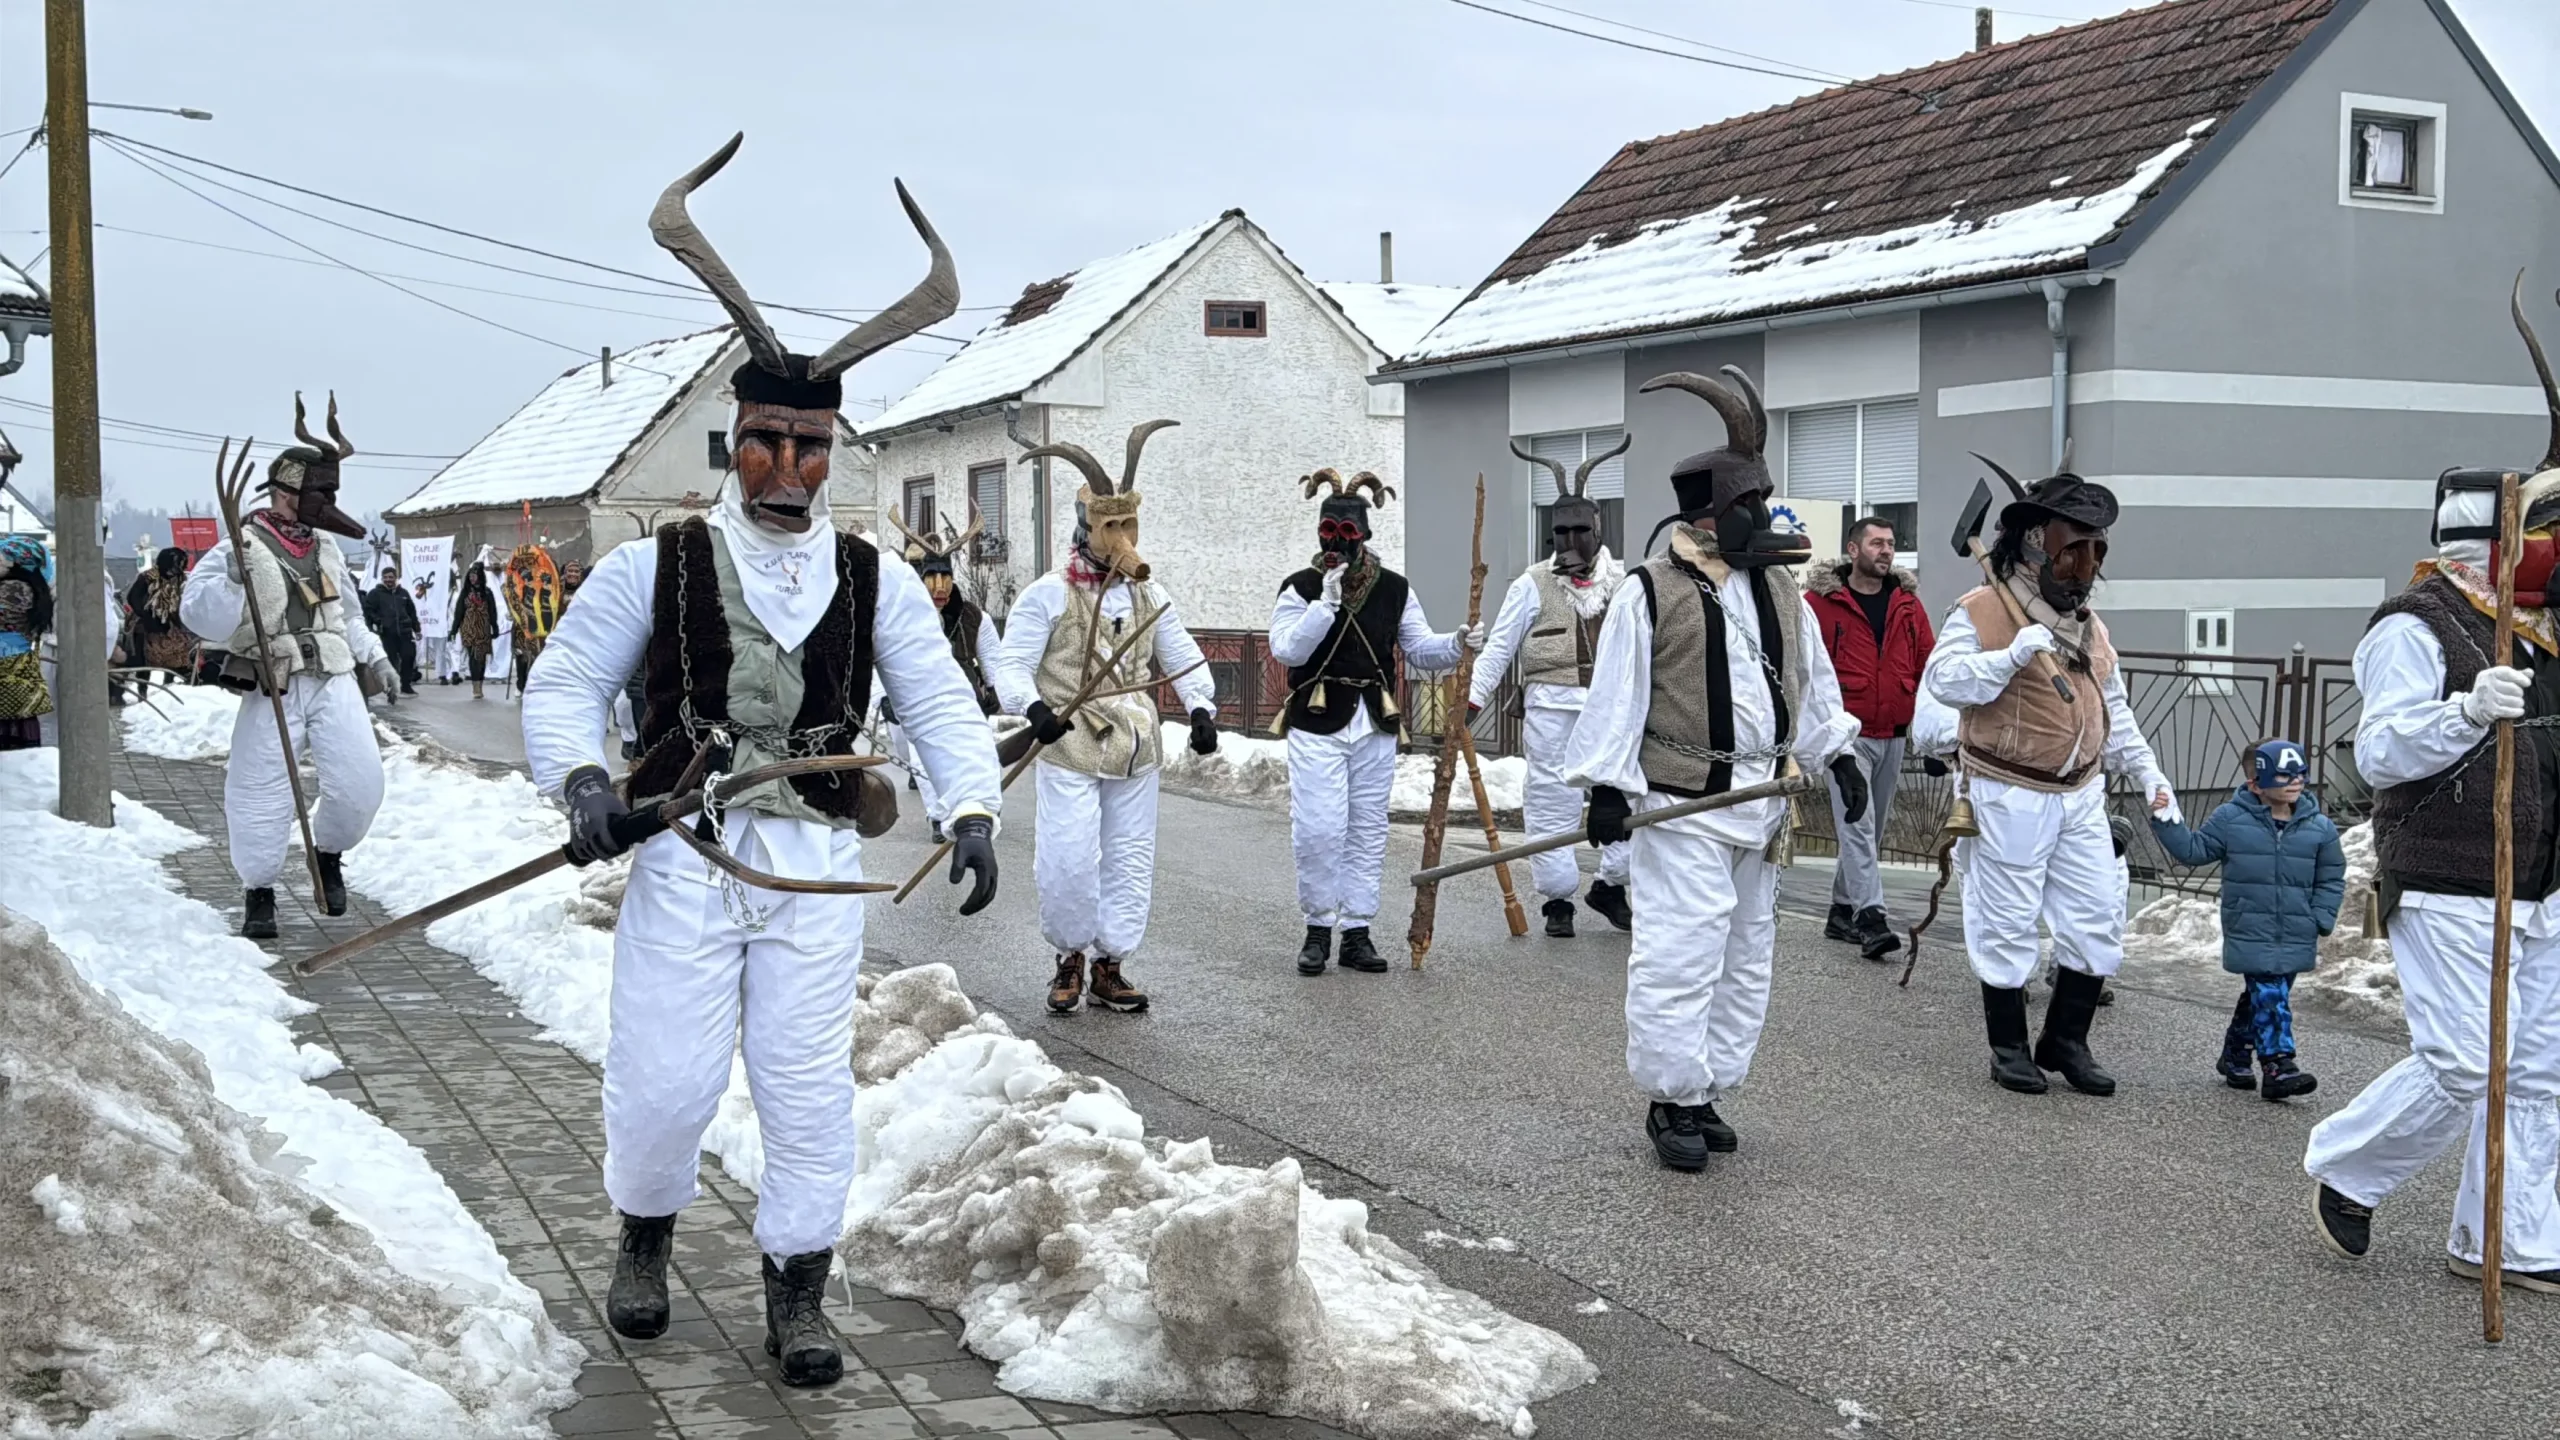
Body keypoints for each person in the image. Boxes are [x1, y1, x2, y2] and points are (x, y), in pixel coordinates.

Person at [521, 136, 999, 1387]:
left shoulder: (870, 574)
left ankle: (798, 1292)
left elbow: (939, 696)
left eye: (810, 448)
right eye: (765, 444)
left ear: (833, 454)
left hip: (814, 863)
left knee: (803, 1090)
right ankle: (644, 1238)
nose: (787, 471)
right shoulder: (657, 563)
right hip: (682, 849)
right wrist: (582, 785)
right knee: (668, 1080)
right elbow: (565, 684)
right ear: (732, 442)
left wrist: (970, 807)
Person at [2304, 301, 2560, 1289]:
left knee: (2536, 1071)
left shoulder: (2539, 632)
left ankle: (2508, 1238)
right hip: (2450, 874)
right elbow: (2379, 754)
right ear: (2484, 544)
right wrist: (2464, 710)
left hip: (2541, 887)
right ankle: (2346, 1170)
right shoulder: (2414, 627)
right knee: (2463, 1064)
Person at [1562, 367, 1861, 1172]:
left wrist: (1836, 754)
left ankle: (1706, 1088)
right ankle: (1669, 1100)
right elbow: (1618, 695)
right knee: (1681, 952)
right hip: (1682, 803)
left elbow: (1813, 680)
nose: (1764, 519)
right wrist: (1604, 788)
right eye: (1749, 508)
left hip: (1762, 803)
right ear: (1707, 516)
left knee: (1744, 954)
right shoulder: (1649, 591)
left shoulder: (1779, 587)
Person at [1921, 459, 2175, 1098]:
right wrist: (2010, 654)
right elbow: (1944, 682)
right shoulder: (1982, 609)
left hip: (2081, 792)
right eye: (2072, 553)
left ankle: (2065, 1041)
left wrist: (2148, 773)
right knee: (2006, 919)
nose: (2085, 570)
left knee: (2096, 913)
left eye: (2095, 553)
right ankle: (2008, 1048)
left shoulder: (2090, 626)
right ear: (2036, 548)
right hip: (2008, 791)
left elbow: (2113, 706)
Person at [996, 422, 1217, 1014]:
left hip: (1135, 745)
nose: (1121, 537)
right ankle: (1068, 957)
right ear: (1087, 529)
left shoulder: (1149, 594)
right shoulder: (1048, 593)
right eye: (1110, 527)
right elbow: (1011, 663)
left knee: (1130, 855)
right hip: (1070, 740)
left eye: (1129, 526)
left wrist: (1200, 706)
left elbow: (1182, 653)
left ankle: (1110, 963)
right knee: (1068, 856)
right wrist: (1034, 708)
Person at [182, 396, 401, 939]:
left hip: (332, 676)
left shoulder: (326, 547)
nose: (327, 504)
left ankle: (328, 853)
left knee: (361, 784)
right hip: (272, 682)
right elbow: (199, 615)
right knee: (259, 789)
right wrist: (233, 577)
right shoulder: (243, 544)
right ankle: (259, 891)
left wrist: (375, 655)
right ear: (285, 493)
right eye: (318, 494)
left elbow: (346, 614)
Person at [1270, 467, 1480, 976]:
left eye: (1347, 533)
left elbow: (1419, 648)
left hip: (1375, 721)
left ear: (1364, 533)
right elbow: (1286, 647)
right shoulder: (1301, 587)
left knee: (1366, 829)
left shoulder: (1394, 589)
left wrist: (1456, 644)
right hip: (1318, 719)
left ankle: (1356, 931)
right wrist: (1326, 604)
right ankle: (1318, 927)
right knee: (1320, 829)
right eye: (1328, 532)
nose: (1337, 543)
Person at [1469, 438, 1634, 938]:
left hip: (1611, 714)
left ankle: (1612, 884)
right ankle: (1557, 899)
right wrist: (1470, 702)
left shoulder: (1626, 583)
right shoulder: (1532, 583)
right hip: (1550, 711)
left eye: (1580, 530)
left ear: (1598, 528)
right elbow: (1498, 648)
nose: (1569, 541)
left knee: (1624, 796)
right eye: (1559, 531)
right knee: (1550, 802)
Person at [2152, 738, 2344, 1100]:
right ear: (2256, 783)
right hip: (2250, 925)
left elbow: (2331, 876)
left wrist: (2320, 917)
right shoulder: (2231, 819)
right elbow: (2195, 850)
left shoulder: (2320, 827)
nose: (2296, 782)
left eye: (2300, 774)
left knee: (2267, 994)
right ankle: (2278, 1066)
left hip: (2296, 927)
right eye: (2284, 776)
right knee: (2270, 991)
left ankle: (2235, 1053)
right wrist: (2166, 819)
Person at [1806, 515, 1934, 961]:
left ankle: (1841, 910)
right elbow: (1805, 672)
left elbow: (1927, 668)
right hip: (1847, 734)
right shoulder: (1820, 605)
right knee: (1858, 824)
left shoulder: (1907, 605)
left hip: (1894, 732)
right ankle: (1871, 918)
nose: (1886, 551)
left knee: (1869, 831)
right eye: (1876, 543)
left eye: (1891, 544)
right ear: (1853, 549)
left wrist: (1936, 737)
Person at [888, 501, 1003, 838]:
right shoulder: (904, 614)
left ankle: (974, 810)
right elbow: (883, 657)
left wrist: (995, 689)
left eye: (946, 578)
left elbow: (993, 656)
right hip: (920, 699)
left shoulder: (972, 616)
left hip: (966, 698)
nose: (939, 587)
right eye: (932, 579)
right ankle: (939, 817)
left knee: (972, 754)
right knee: (926, 761)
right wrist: (884, 697)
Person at [0, 536, 53, 750]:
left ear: (17, 562)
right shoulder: (24, 586)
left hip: (7, 664)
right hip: (14, 662)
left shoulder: (14, 588)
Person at [126, 547, 199, 702]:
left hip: (171, 625)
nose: (177, 569)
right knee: (144, 661)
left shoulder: (181, 580)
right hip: (146, 625)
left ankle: (169, 687)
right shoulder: (148, 577)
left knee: (176, 656)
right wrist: (147, 616)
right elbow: (133, 598)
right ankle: (142, 692)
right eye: (175, 564)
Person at [361, 561, 422, 695]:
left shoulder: (403, 593)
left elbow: (412, 612)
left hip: (405, 631)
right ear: (382, 579)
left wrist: (416, 629)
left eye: (391, 577)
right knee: (391, 660)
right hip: (387, 633)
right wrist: (378, 622)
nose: (389, 580)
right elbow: (368, 610)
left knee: (409, 657)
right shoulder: (375, 593)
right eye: (386, 577)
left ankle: (406, 684)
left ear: (396, 578)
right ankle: (393, 686)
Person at [454, 558, 500, 698]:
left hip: (483, 629)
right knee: (473, 657)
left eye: (475, 576)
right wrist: (454, 629)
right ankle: (476, 687)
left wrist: (495, 627)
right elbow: (459, 611)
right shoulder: (465, 592)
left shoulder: (487, 592)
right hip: (469, 629)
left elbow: (492, 611)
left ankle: (480, 683)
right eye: (470, 576)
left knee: (481, 658)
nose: (472, 578)